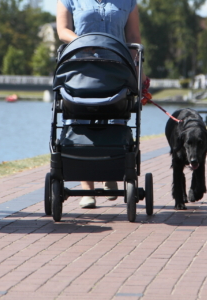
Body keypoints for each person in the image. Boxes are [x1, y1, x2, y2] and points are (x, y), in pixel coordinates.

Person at [56, 0, 145, 208]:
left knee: (116, 117)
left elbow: (133, 38)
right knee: (80, 119)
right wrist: (83, 42)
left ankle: (111, 169)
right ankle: (87, 190)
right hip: (81, 70)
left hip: (117, 70)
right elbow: (63, 30)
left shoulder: (128, 2)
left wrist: (137, 71)